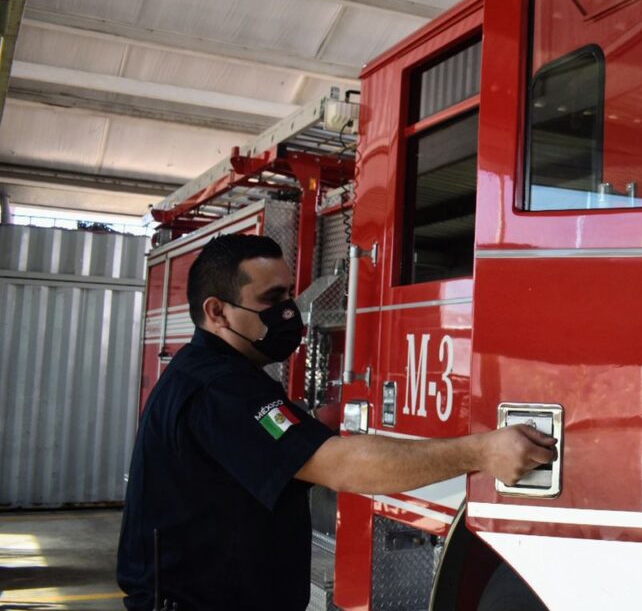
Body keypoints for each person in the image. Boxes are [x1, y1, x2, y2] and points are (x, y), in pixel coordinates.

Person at [117, 234, 556, 609]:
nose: (289, 312)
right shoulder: (219, 388)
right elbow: (338, 465)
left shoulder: (216, 376)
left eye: (290, 294)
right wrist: (481, 451)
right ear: (217, 312)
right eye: (271, 299)